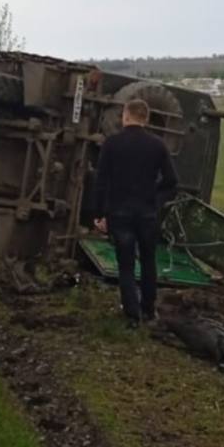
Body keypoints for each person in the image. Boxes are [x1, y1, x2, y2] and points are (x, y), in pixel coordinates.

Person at [94, 98, 178, 329]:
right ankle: (149, 310)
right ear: (146, 119)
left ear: (126, 116)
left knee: (126, 265)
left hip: (119, 213)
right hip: (147, 213)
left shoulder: (112, 144)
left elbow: (101, 182)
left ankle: (132, 315)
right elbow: (171, 181)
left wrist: (100, 214)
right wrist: (155, 199)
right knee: (149, 262)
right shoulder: (158, 145)